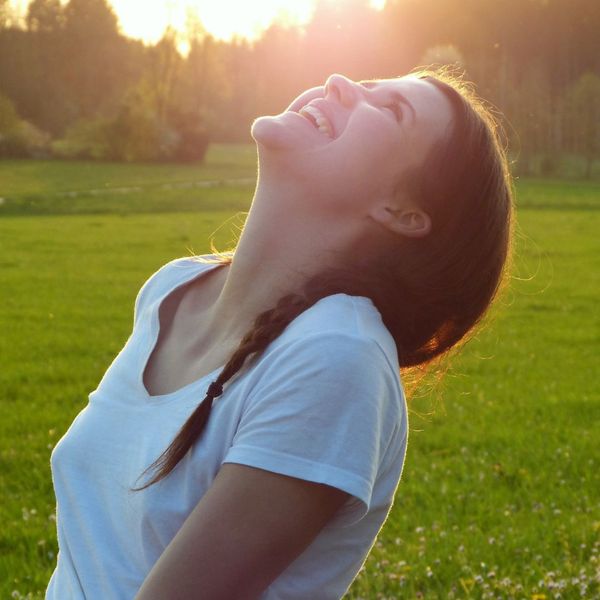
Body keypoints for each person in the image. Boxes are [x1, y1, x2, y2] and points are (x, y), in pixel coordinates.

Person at [46, 70, 513, 599]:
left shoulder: (338, 357)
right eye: (368, 80)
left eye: (391, 109)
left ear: (402, 213)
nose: (340, 81)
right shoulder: (172, 289)